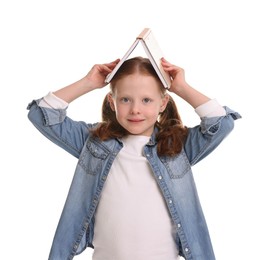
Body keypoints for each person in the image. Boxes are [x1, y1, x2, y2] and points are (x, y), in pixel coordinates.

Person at [27, 56, 241, 260]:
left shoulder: (177, 145)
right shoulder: (93, 142)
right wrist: (88, 83)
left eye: (147, 100)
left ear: (163, 103)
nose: (135, 109)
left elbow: (221, 123)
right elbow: (42, 114)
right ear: (112, 102)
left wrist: (182, 88)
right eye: (125, 99)